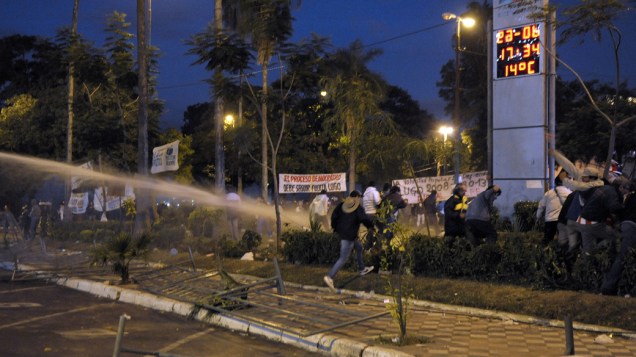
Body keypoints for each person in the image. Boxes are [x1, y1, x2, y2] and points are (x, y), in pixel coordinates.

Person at [323, 191, 375, 291]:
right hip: (349, 236)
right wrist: (371, 226)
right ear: (355, 197)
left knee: (359, 247)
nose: (360, 199)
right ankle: (329, 277)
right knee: (343, 258)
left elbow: (334, 217)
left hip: (344, 233)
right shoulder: (358, 208)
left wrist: (335, 228)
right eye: (359, 197)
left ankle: (362, 269)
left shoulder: (341, 205)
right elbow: (364, 218)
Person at [601, 178, 636, 295]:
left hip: (623, 226)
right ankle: (609, 287)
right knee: (622, 257)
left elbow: (621, 211)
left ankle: (608, 286)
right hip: (631, 228)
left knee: (618, 256)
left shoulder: (629, 198)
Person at [536, 169, 572, 246]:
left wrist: (538, 217)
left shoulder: (549, 193)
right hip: (563, 220)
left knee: (547, 241)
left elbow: (541, 206)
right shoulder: (569, 193)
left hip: (550, 219)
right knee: (563, 241)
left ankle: (545, 253)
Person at [362, 181, 381, 249]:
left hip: (366, 214)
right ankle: (372, 245)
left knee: (371, 230)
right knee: (381, 228)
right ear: (374, 186)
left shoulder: (365, 193)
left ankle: (369, 245)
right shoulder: (374, 192)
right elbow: (378, 202)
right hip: (373, 213)